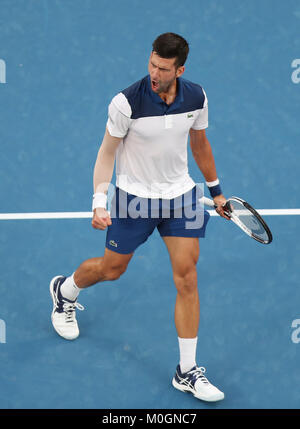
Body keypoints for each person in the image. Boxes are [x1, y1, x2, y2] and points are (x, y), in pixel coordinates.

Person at [50, 32, 229, 402]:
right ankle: (64, 291)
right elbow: (106, 153)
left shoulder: (197, 97)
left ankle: (187, 370)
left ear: (180, 69)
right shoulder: (126, 102)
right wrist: (99, 200)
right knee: (112, 269)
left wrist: (216, 191)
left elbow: (200, 144)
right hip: (134, 200)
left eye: (163, 68)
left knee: (188, 278)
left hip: (181, 197)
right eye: (152, 64)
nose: (154, 73)